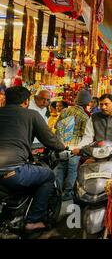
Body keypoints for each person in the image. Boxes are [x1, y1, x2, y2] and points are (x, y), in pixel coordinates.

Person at [0, 86, 65, 233]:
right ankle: (33, 220)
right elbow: (50, 139)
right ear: (25, 101)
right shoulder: (31, 115)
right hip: (12, 171)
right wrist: (63, 147)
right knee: (48, 175)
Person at [53, 89, 91, 200]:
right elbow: (86, 135)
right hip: (75, 147)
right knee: (72, 170)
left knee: (60, 168)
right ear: (87, 103)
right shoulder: (85, 116)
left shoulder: (65, 111)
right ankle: (67, 193)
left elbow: (56, 126)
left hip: (62, 145)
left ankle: (57, 191)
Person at [72, 93, 112, 159]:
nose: (103, 107)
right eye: (101, 104)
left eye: (106, 104)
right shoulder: (94, 117)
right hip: (98, 157)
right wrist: (79, 147)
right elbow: (88, 136)